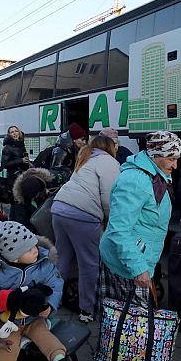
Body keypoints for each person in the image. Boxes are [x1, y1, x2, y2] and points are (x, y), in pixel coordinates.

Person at [98, 130, 181, 361]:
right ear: (155, 155)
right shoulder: (135, 180)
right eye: (171, 157)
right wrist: (139, 268)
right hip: (128, 263)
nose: (175, 164)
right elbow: (118, 231)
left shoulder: (157, 175)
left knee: (128, 314)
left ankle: (116, 349)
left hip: (141, 259)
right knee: (138, 319)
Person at [0, 220, 77, 361]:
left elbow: (55, 285)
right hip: (9, 321)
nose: (36, 250)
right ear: (14, 256)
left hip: (34, 317)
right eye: (29, 249)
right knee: (7, 346)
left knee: (44, 335)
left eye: (34, 245)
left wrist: (49, 305)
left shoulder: (43, 264)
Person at [52, 134, 120, 322]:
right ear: (109, 147)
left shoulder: (86, 157)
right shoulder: (109, 162)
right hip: (82, 214)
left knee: (62, 259)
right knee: (88, 263)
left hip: (59, 209)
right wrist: (110, 221)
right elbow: (109, 197)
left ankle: (50, 302)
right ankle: (86, 310)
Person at [9, 168, 52, 233]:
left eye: (36, 195)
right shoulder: (20, 199)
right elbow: (20, 222)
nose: (36, 197)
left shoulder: (50, 183)